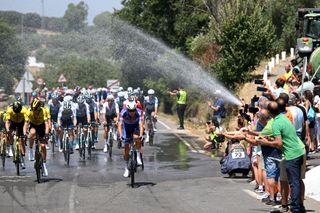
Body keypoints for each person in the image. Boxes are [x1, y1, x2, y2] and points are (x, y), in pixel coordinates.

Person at [256, 102, 306, 213]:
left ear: (269, 112)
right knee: (296, 181)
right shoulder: (284, 118)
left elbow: (278, 144)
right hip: (298, 151)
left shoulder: (276, 123)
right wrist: (270, 137)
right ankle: (298, 207)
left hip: (292, 154)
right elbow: (284, 136)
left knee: (294, 183)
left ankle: (295, 208)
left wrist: (265, 142)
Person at [118, 101, 144, 178]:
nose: (131, 112)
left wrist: (141, 134)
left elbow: (141, 125)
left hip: (135, 127)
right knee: (126, 149)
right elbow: (120, 125)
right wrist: (121, 135)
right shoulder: (123, 112)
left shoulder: (139, 112)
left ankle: (138, 155)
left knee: (137, 138)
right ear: (127, 109)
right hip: (126, 128)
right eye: (130, 110)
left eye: (133, 110)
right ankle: (126, 168)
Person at [27, 99, 49, 176]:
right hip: (33, 125)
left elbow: (46, 124)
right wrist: (24, 132)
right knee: (32, 133)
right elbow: (26, 124)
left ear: (39, 108)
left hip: (41, 126)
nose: (35, 111)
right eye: (33, 109)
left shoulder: (43, 111)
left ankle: (44, 164)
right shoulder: (29, 111)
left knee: (43, 146)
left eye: (36, 109)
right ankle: (30, 150)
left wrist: (46, 133)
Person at [5, 101, 28, 169]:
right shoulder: (10, 110)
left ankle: (22, 159)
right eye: (15, 111)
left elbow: (26, 122)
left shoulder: (24, 110)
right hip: (13, 123)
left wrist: (25, 132)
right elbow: (7, 122)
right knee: (10, 134)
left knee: (21, 140)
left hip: (21, 123)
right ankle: (12, 147)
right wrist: (8, 130)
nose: (17, 112)